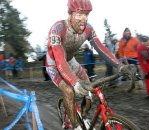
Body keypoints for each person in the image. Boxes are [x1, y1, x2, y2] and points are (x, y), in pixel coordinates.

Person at [46, 0, 129, 129]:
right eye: (79, 14)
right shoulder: (58, 28)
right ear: (70, 14)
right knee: (69, 91)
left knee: (89, 90)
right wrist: (74, 82)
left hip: (70, 61)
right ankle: (75, 126)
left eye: (86, 15)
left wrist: (120, 65)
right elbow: (60, 60)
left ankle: (84, 117)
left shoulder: (88, 29)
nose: (83, 19)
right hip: (54, 64)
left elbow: (101, 48)